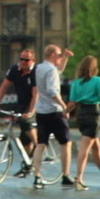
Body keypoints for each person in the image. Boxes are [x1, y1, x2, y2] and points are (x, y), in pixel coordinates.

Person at [67, 55, 100, 190]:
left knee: (96, 147)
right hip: (93, 115)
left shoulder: (76, 83)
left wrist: (64, 112)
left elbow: (72, 103)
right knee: (85, 148)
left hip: (81, 114)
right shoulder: (99, 81)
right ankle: (79, 178)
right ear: (95, 68)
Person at [31, 44, 74, 189]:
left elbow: (59, 70)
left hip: (41, 111)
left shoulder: (39, 68)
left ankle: (37, 176)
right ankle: (66, 175)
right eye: (59, 54)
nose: (61, 57)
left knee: (41, 143)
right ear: (53, 55)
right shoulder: (51, 70)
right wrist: (64, 106)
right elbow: (52, 90)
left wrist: (66, 58)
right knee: (66, 143)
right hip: (54, 111)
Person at [0, 49, 38, 178]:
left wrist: (31, 112)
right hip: (21, 103)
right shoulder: (14, 70)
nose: (23, 62)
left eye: (26, 60)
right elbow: (4, 86)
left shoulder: (35, 72)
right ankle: (28, 164)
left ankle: (40, 144)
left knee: (27, 122)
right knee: (24, 138)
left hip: (36, 103)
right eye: (21, 59)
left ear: (32, 61)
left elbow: (36, 95)